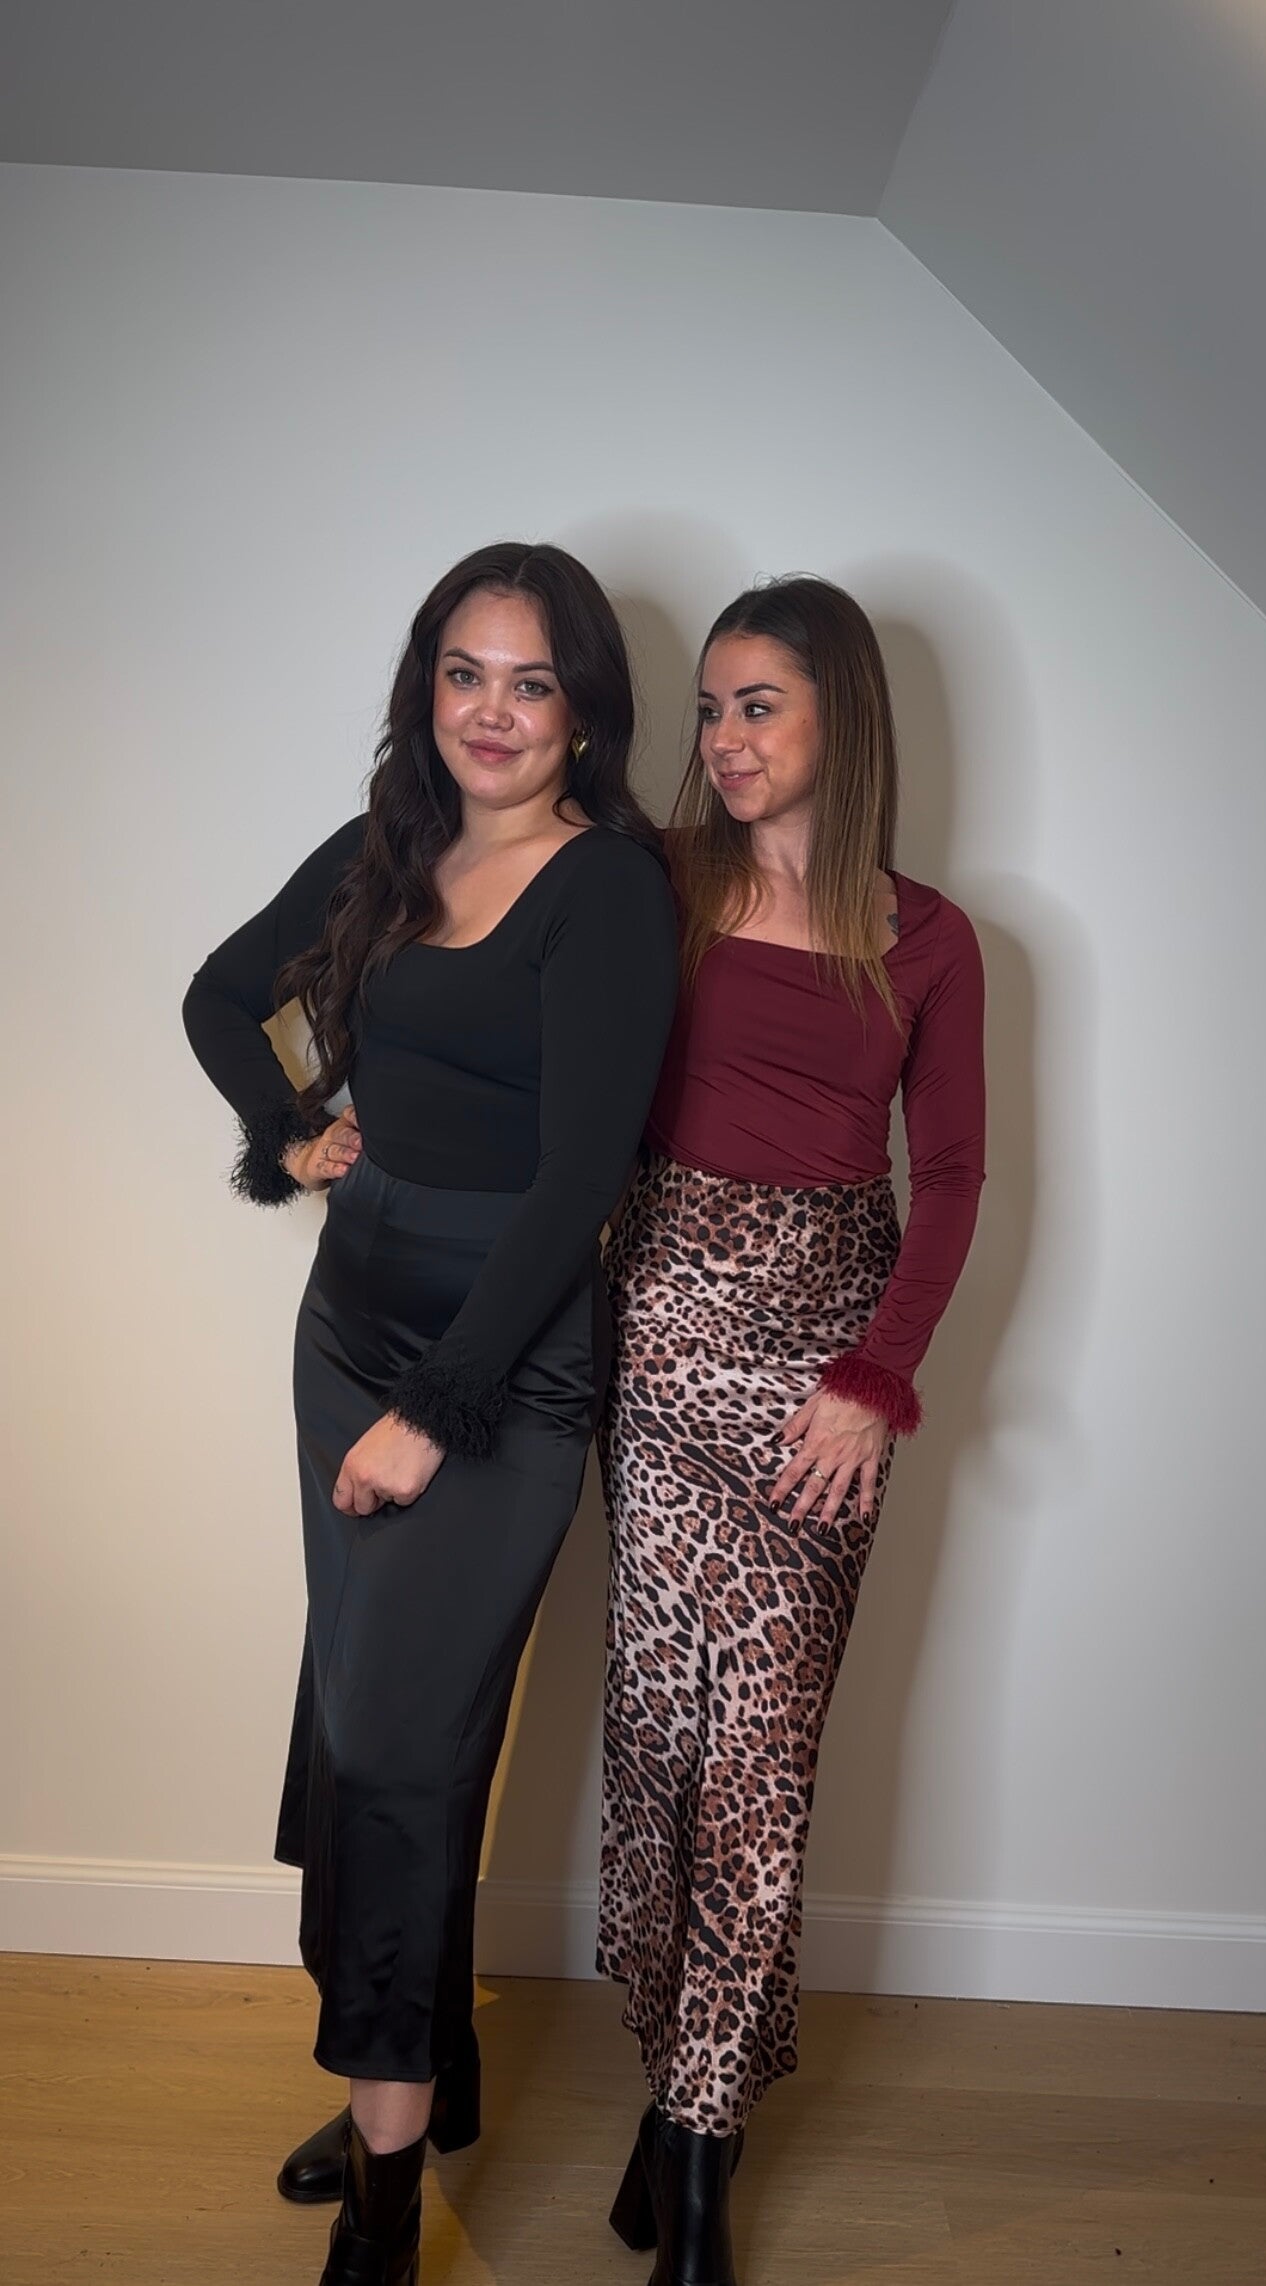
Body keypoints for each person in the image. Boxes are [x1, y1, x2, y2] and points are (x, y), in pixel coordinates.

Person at [182, 542, 678, 2286]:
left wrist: (435, 1410)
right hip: (349, 1322)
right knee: (357, 1726)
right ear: (427, 686)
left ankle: (387, 2214)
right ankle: (414, 2069)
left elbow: (580, 1183)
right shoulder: (388, 843)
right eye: (465, 672)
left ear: (583, 710)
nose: (492, 711)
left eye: (531, 682)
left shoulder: (609, 890)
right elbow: (220, 993)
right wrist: (290, 1130)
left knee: (398, 1747)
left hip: (503, 1352)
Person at [596, 577, 985, 2286]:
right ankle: (667, 2096)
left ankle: (698, 2166)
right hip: (659, 1341)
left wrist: (875, 1378)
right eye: (710, 707)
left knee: (762, 1766)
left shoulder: (931, 936)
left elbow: (950, 1174)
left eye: (758, 704)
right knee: (660, 1747)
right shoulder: (654, 883)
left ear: (843, 715)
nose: (724, 738)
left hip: (824, 1378)